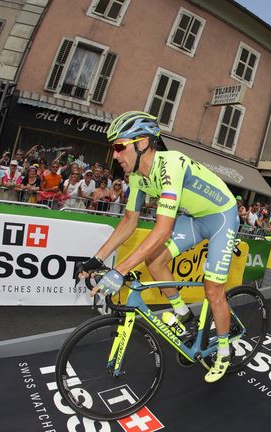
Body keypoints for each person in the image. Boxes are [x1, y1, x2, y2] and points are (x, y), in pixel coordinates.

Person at [76, 111, 238, 383]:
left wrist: (120, 271)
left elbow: (162, 230)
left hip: (221, 216)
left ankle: (224, 350)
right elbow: (128, 222)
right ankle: (183, 312)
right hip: (194, 218)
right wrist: (96, 259)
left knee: (213, 291)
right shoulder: (138, 177)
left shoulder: (170, 164)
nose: (114, 155)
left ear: (142, 144)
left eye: (119, 146)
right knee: (155, 261)